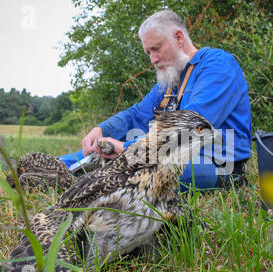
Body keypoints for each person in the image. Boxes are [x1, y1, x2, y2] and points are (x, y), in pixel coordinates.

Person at [59, 10, 252, 191]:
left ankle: (78, 180)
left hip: (215, 164)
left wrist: (127, 150)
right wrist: (101, 129)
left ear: (178, 38)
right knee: (100, 158)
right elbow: (136, 115)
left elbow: (191, 126)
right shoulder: (173, 77)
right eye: (148, 52)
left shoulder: (217, 64)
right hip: (171, 156)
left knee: (125, 172)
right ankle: (55, 167)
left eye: (156, 49)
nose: (153, 59)